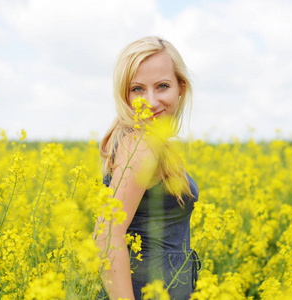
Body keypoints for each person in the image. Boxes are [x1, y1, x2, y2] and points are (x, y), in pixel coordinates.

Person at [95, 36, 200, 300]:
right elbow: (106, 235)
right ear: (124, 94)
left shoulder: (151, 142)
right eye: (138, 89)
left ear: (180, 88)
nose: (150, 102)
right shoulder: (141, 145)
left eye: (162, 86)